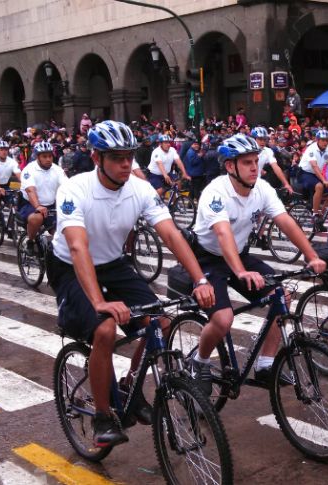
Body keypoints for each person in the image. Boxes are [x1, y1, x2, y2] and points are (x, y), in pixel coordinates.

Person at [47, 120, 215, 448]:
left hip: (113, 264)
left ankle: (130, 388)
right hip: (70, 267)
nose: (126, 164)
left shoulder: (139, 188)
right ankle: (102, 414)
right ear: (97, 158)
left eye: (130, 156)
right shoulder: (74, 188)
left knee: (162, 322)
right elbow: (78, 246)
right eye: (117, 158)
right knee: (106, 329)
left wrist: (200, 279)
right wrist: (99, 303)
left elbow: (170, 234)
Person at [186, 134, 326, 394]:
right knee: (223, 319)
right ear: (230, 166)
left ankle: (265, 364)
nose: (255, 167)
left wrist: (311, 255)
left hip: (239, 253)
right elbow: (222, 233)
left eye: (256, 161)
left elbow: (285, 221)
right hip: (208, 258)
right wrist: (240, 271)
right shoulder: (215, 192)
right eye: (247, 162)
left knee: (281, 298)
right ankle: (199, 362)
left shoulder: (261, 188)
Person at [18, 141, 68, 255]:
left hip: (51, 204)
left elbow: (67, 187)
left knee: (62, 231)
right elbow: (30, 190)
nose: (48, 159)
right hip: (29, 204)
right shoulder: (29, 170)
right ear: (38, 157)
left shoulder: (57, 169)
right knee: (37, 218)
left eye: (50, 156)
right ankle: (30, 241)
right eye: (44, 156)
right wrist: (38, 206)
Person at [0, 139, 22, 228]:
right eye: (1, 149)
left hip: (6, 186)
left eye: (6, 149)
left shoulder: (12, 161)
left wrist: (27, 185)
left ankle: (11, 227)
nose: (4, 152)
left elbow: (19, 174)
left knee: (16, 203)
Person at [251, 126, 293, 193]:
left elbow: (276, 167)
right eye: (260, 139)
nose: (263, 142)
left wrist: (286, 184)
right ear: (253, 139)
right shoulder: (246, 151)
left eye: (265, 139)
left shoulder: (268, 151)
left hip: (256, 183)